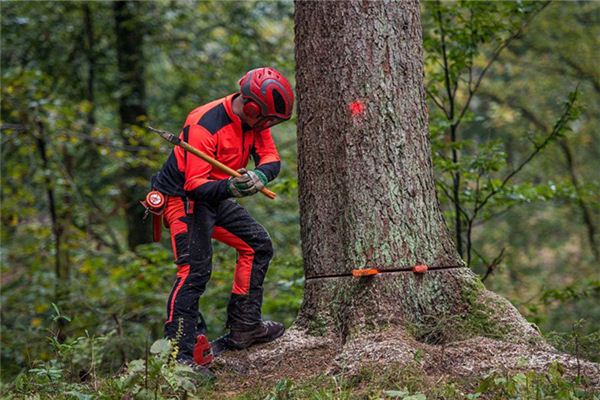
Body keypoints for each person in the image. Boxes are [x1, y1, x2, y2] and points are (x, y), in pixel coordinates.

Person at [151, 67, 294, 364]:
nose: (268, 126)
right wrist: (231, 186)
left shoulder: (257, 120)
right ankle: (179, 355)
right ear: (252, 106)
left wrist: (260, 176)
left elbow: (271, 158)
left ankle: (244, 327)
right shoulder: (204, 123)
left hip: (217, 194)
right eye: (268, 120)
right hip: (185, 197)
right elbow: (195, 185)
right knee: (194, 271)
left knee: (257, 245)